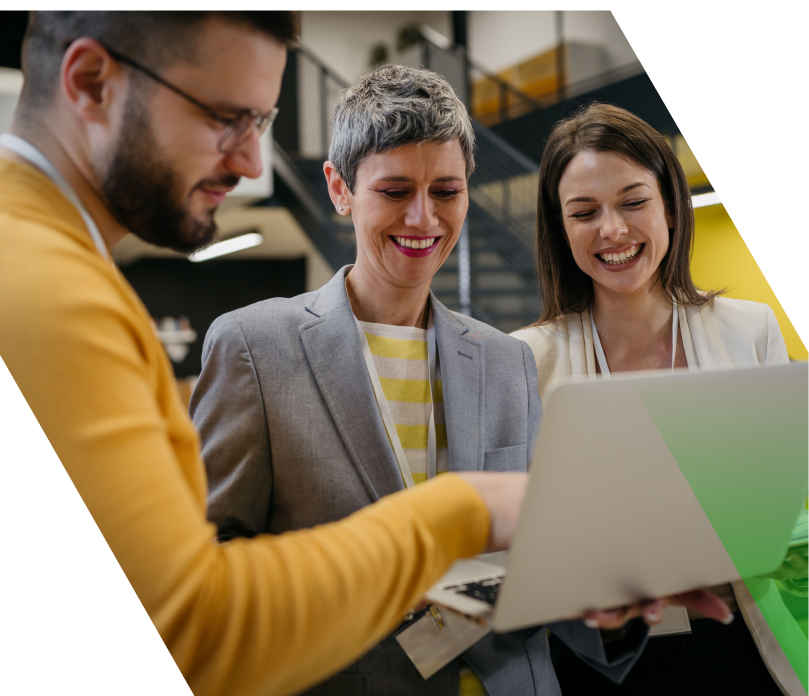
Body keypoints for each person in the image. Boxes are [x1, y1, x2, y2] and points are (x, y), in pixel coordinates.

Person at [0, 11, 540, 696]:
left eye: (258, 122)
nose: (253, 161)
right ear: (91, 82)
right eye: (224, 116)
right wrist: (466, 509)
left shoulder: (55, 269)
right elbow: (200, 626)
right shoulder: (54, 293)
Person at [190, 66, 731, 696]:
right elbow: (208, 577)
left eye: (446, 191)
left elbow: (535, 557)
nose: (424, 218)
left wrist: (611, 599)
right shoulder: (255, 349)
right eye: (395, 191)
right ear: (339, 188)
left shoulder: (505, 361)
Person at [512, 102, 808, 696]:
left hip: (739, 638)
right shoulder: (524, 360)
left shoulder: (749, 330)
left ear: (669, 203)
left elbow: (785, 509)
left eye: (633, 201)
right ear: (561, 226)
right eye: (585, 212)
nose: (613, 230)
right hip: (599, 661)